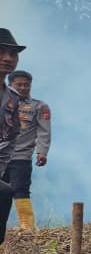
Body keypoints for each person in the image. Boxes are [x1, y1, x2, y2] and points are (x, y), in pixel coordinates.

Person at [2, 70, 52, 232]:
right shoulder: (2, 103)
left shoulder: (39, 106)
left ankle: (27, 228)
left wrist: (42, 151)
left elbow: (44, 131)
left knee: (20, 189)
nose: (23, 88)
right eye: (19, 85)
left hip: (20, 157)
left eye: (26, 85)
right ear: (10, 85)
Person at [0, 28, 28, 254]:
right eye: (1, 52)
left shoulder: (12, 99)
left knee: (5, 191)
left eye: (12, 53)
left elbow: (10, 138)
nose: (7, 57)